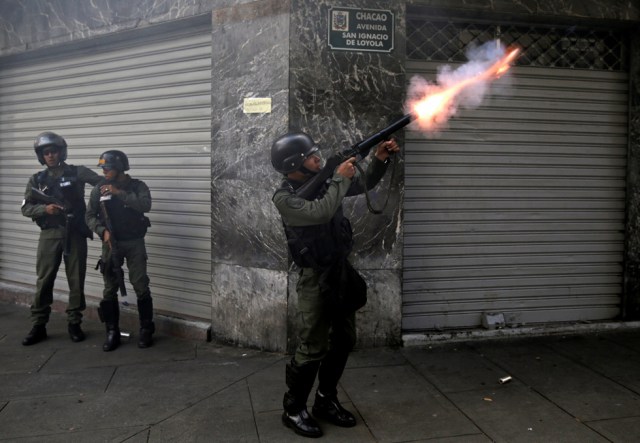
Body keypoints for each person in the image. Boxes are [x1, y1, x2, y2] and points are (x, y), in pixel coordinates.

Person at [271, 132, 400, 438]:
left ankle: (326, 399)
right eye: (311, 156)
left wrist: (380, 158)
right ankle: (294, 408)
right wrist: (337, 176)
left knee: (344, 339)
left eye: (318, 154)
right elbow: (320, 212)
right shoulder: (284, 198)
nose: (318, 158)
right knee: (313, 344)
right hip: (314, 278)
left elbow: (364, 184)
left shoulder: (326, 181)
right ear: (295, 165)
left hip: (339, 270)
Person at [21, 131, 102, 346]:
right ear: (41, 156)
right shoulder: (37, 180)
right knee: (44, 280)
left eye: (53, 151)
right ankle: (39, 324)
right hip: (50, 235)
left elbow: (102, 185)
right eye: (46, 153)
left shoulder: (78, 172)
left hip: (74, 232)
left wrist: (91, 212)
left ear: (61, 152)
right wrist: (44, 208)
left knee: (76, 279)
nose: (50, 156)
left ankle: (74, 322)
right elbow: (26, 208)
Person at [85, 150, 153, 351]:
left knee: (140, 284)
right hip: (111, 244)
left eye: (108, 167)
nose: (104, 171)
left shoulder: (137, 186)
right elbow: (89, 216)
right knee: (109, 288)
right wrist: (102, 231)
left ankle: (146, 329)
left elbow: (145, 205)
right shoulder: (99, 189)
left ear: (120, 168)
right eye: (103, 168)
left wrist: (118, 193)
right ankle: (112, 330)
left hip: (134, 242)